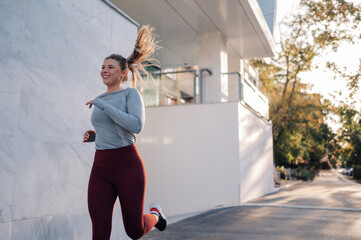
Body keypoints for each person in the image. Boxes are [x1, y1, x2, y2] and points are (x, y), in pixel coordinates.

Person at [83, 25, 166, 240]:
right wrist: (94, 136)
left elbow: (136, 125)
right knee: (99, 231)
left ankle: (156, 215)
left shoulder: (130, 94)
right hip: (100, 167)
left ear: (123, 72)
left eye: (110, 66)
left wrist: (105, 106)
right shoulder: (101, 98)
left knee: (134, 231)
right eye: (103, 66)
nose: (105, 70)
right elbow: (111, 128)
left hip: (127, 166)